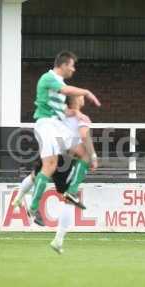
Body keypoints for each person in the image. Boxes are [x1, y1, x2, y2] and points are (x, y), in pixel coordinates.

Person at [13, 95, 97, 254]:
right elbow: (84, 135)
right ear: (75, 101)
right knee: (69, 198)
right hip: (65, 161)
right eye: (80, 96)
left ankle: (20, 199)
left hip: (52, 152)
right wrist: (93, 156)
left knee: (35, 175)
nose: (83, 98)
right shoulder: (81, 117)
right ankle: (58, 240)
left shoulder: (59, 115)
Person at [28, 51, 100, 225]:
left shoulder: (58, 83)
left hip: (57, 126)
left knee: (85, 153)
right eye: (72, 65)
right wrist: (87, 92)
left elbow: (62, 110)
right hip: (46, 125)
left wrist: (75, 112)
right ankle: (33, 207)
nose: (73, 69)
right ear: (64, 65)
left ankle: (71, 191)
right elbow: (66, 90)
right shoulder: (48, 78)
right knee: (50, 165)